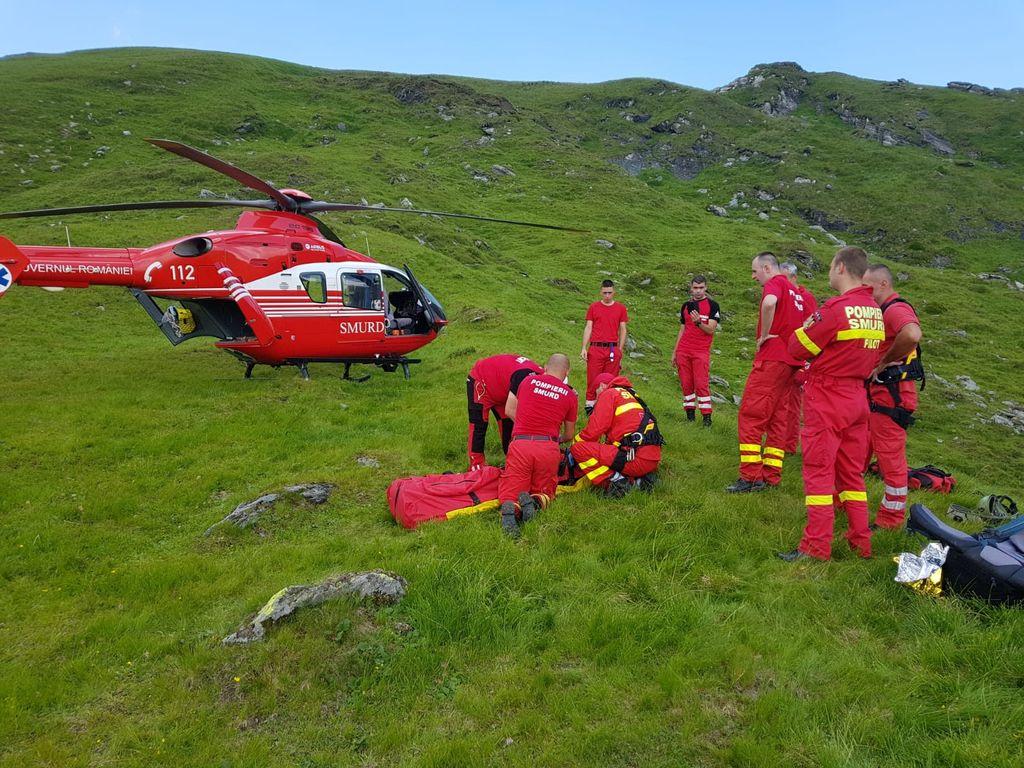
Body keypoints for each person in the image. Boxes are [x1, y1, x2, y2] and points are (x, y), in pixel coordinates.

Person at [778, 246, 884, 562]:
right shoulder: (874, 311)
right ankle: (860, 543)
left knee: (819, 474)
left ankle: (815, 548)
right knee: (852, 476)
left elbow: (797, 348)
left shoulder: (836, 309)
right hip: (858, 399)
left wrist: (808, 322)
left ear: (840, 267)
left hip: (828, 398)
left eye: (829, 266)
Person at [726, 252, 804, 493]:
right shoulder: (796, 292)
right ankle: (771, 475)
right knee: (778, 420)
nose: (753, 277)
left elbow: (769, 302)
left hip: (772, 359)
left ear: (768, 268)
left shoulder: (776, 283)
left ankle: (750, 477)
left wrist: (764, 335)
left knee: (751, 415)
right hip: (791, 362)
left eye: (755, 271)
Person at [862, 264, 924, 529]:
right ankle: (844, 502)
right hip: (879, 394)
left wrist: (885, 361)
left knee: (890, 461)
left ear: (884, 284)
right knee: (859, 450)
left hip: (892, 395)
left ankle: (890, 521)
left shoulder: (895, 308)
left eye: (869, 286)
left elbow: (911, 334)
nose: (866, 291)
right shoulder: (882, 310)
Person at [497, 354, 578, 538]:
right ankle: (536, 502)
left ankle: (511, 507)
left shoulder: (527, 382)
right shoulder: (570, 395)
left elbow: (512, 409)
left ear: (545, 367)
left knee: (511, 488)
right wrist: (556, 440)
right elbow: (569, 435)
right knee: (545, 491)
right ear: (567, 372)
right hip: (547, 448)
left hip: (521, 444)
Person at [570, 372, 663, 497]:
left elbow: (594, 431)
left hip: (635, 458)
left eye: (596, 392)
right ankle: (640, 481)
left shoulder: (609, 394)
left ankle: (618, 483)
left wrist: (576, 442)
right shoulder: (631, 395)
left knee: (579, 449)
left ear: (602, 386)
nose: (596, 398)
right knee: (604, 451)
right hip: (651, 457)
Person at [466, 354, 542, 470]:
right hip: (481, 381)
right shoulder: (523, 377)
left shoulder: (541, 376)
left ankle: (512, 462)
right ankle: (476, 466)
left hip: (503, 389)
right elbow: (512, 411)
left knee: (508, 426)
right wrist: (532, 431)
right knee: (479, 425)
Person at [672, 275, 721, 427]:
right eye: (695, 288)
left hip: (701, 352)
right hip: (683, 351)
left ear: (706, 288)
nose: (698, 291)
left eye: (701, 288)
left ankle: (707, 420)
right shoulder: (685, 306)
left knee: (701, 384)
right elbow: (682, 329)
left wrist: (699, 322)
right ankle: (690, 418)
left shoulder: (713, 305)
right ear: (691, 288)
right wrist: (675, 352)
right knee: (686, 385)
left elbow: (711, 329)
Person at [780, 262, 818, 453]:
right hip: (782, 355)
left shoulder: (805, 298)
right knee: (780, 400)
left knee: (793, 403)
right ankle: (779, 440)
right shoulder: (783, 295)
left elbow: (811, 327)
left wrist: (806, 362)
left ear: (794, 278)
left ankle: (788, 445)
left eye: (785, 278)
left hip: (798, 357)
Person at [580, 280, 629, 413]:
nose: (607, 295)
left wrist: (620, 349)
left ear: (614, 292)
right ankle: (589, 406)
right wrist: (584, 347)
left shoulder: (620, 308)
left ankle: (606, 407)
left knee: (610, 380)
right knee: (593, 378)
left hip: (613, 349)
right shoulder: (594, 307)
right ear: (600, 292)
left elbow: (623, 329)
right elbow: (588, 327)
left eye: (610, 293)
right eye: (605, 293)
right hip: (596, 348)